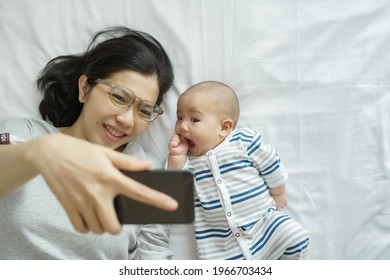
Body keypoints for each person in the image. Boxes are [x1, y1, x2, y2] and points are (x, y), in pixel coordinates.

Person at [0, 26, 179, 259]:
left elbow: (153, 259)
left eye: (144, 110)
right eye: (119, 97)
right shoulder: (25, 134)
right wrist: (40, 152)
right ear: (85, 88)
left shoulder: (153, 174)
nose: (126, 120)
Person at [168, 81, 309, 260]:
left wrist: (279, 192)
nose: (182, 126)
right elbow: (177, 189)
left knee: (295, 237)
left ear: (224, 127)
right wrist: (177, 158)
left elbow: (270, 162)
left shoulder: (243, 141)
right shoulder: (189, 162)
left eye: (194, 119)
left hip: (263, 225)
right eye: (179, 118)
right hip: (220, 243)